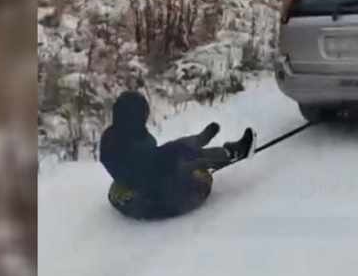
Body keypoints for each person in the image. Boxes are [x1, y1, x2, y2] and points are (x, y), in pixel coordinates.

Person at [99, 91, 256, 220]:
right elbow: (161, 174)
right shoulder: (132, 151)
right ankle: (235, 152)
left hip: (142, 176)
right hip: (157, 198)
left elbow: (156, 157)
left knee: (176, 149)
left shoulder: (118, 135)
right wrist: (200, 163)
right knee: (194, 165)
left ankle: (199, 140)